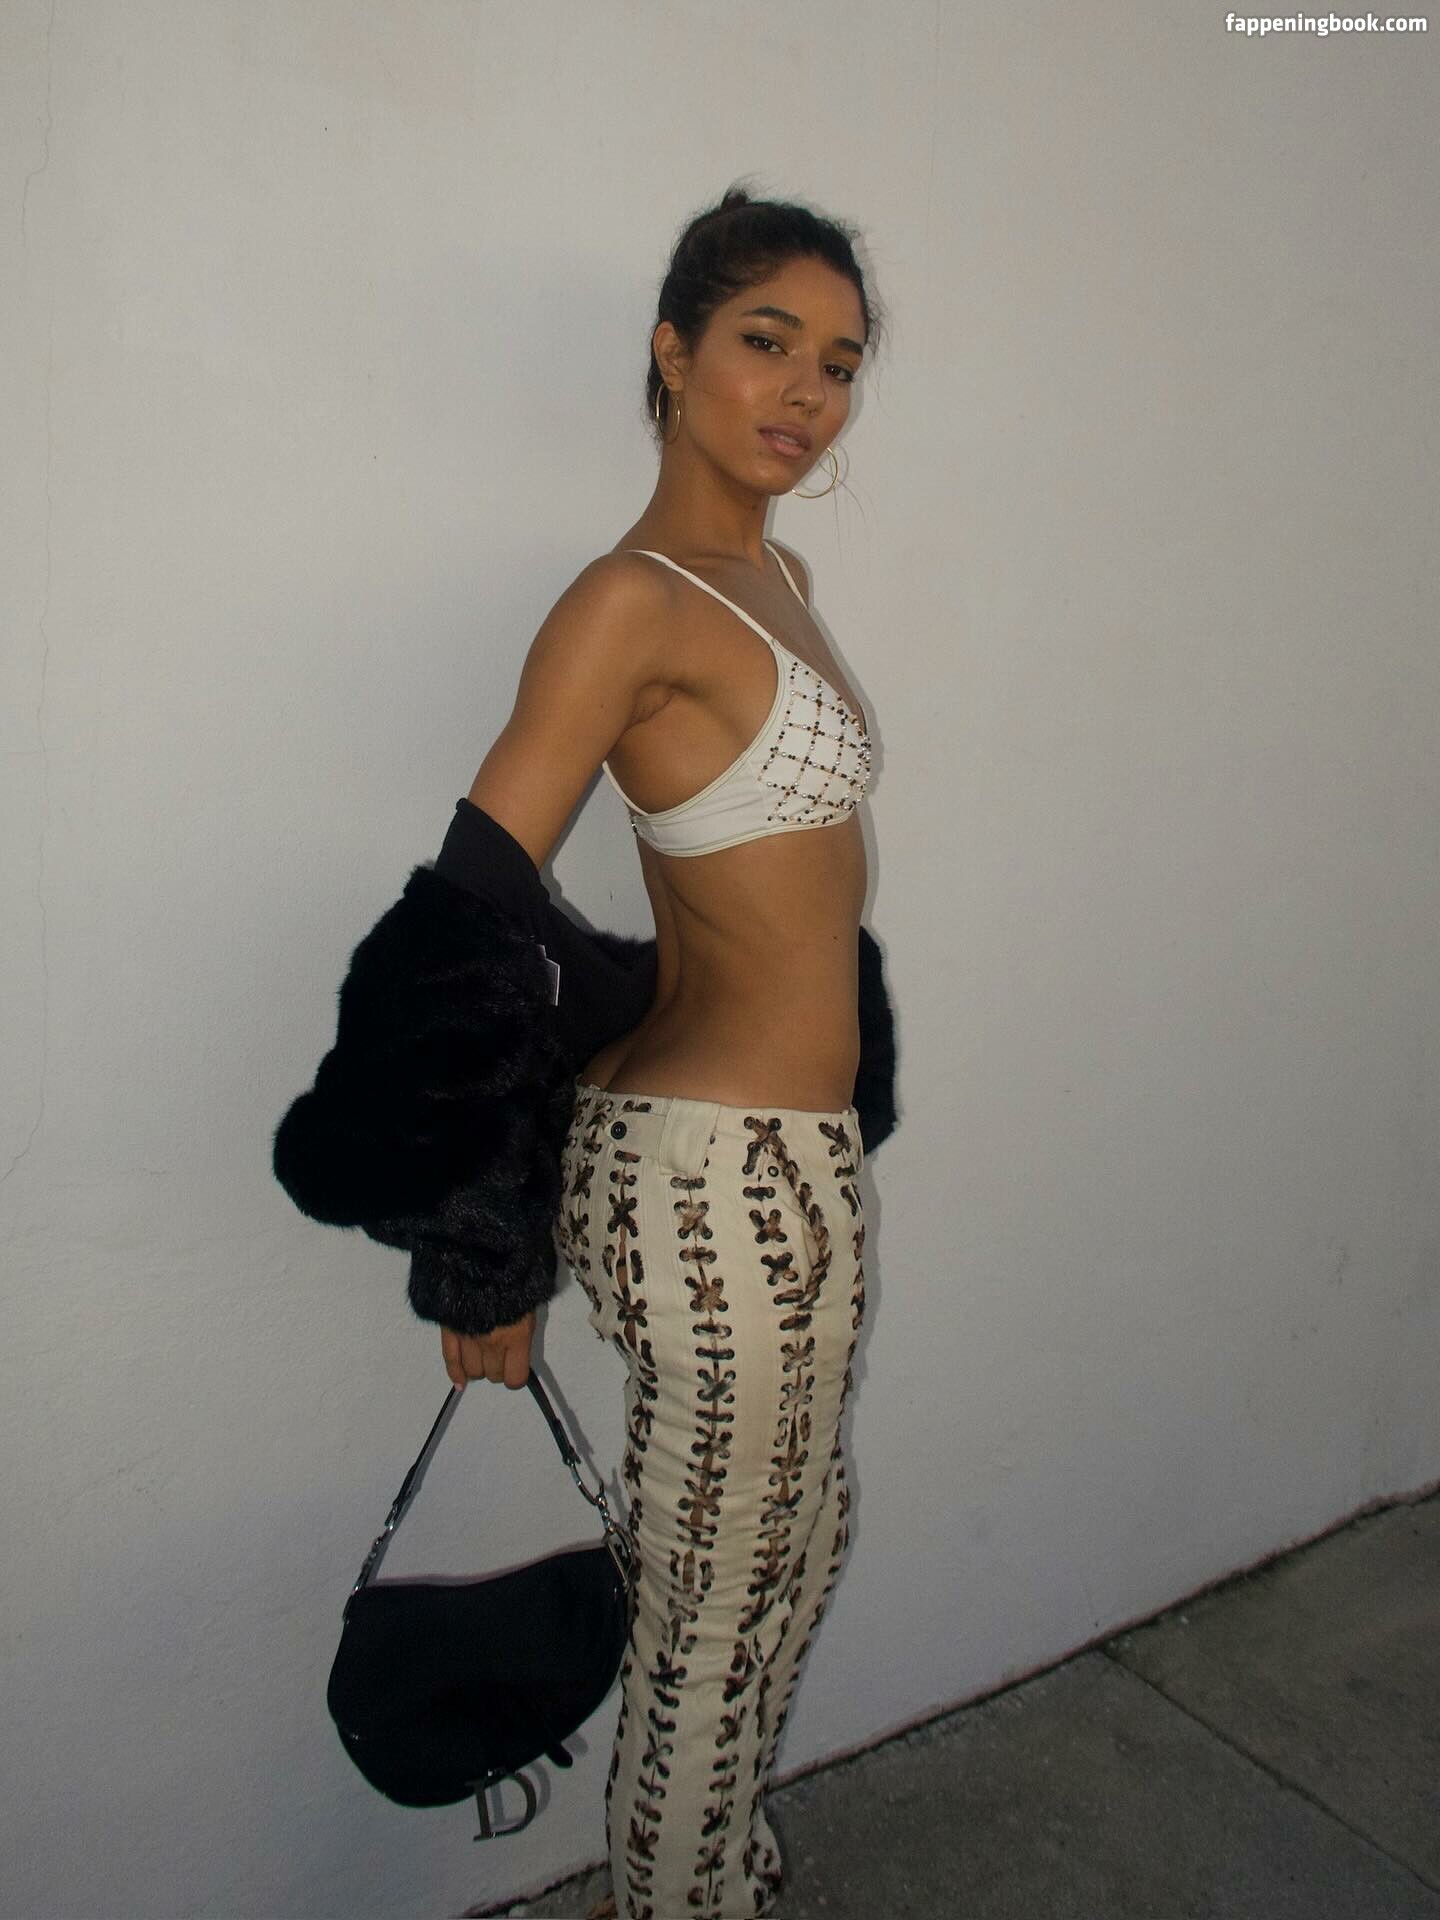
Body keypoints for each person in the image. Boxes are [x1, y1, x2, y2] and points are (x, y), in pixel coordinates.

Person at [442, 184, 885, 1920]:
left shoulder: (773, 577)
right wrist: (481, 1239)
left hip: (784, 1170)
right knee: (714, 1629)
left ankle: (721, 1877)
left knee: (785, 1557)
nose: (806, 392)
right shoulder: (628, 602)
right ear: (674, 350)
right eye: (768, 342)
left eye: (838, 362)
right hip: (713, 1185)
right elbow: (471, 915)